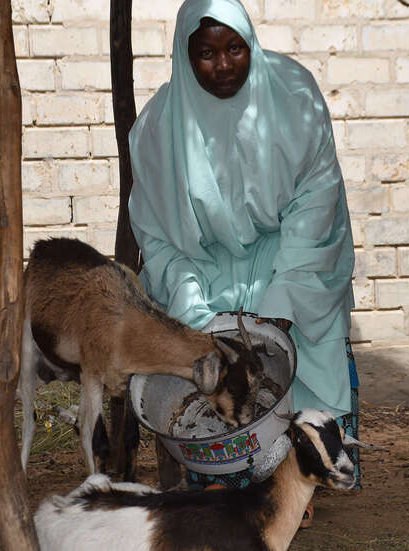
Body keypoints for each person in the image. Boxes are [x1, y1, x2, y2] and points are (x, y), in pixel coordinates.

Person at [127, 0, 360, 525]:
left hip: (288, 254)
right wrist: (193, 308)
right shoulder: (158, 128)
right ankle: (223, 484)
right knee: (206, 364)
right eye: (206, 54)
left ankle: (300, 480)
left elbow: (317, 200)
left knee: (301, 337)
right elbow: (157, 235)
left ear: (251, 43)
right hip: (201, 269)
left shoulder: (294, 97)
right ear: (185, 56)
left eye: (235, 48)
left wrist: (280, 301)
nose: (224, 65)